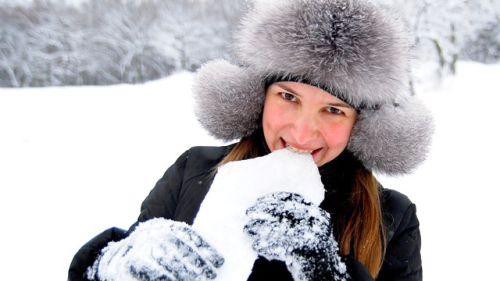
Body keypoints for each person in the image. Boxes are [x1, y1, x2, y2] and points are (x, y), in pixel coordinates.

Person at [68, 0, 434, 280]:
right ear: (258, 96)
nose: (302, 133)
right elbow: (132, 255)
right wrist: (115, 265)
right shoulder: (195, 171)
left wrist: (327, 272)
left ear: (362, 124)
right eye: (288, 97)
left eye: (334, 110)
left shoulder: (391, 216)